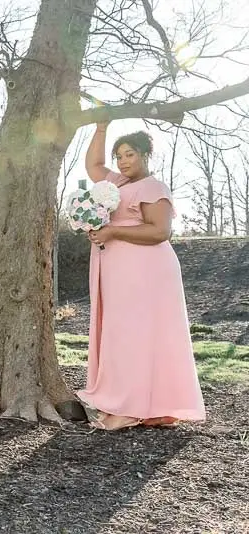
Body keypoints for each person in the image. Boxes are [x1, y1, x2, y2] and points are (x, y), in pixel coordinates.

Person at [78, 123, 205, 430]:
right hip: (120, 272)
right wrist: (101, 127)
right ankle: (155, 407)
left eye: (129, 154)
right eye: (118, 155)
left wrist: (113, 230)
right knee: (130, 335)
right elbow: (93, 165)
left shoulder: (153, 187)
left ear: (146, 154)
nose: (122, 161)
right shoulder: (116, 184)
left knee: (135, 336)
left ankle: (130, 407)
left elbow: (160, 231)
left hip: (147, 272)